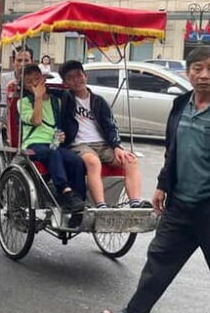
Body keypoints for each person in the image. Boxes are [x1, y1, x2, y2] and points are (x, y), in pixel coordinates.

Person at [101, 46, 210, 313]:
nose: (203, 75)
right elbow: (173, 151)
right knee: (159, 260)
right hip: (180, 204)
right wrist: (163, 185)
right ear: (187, 72)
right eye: (197, 69)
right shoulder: (180, 104)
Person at [58, 60, 147, 209]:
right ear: (65, 82)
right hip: (79, 145)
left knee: (130, 160)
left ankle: (135, 202)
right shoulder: (64, 98)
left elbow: (110, 126)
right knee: (93, 162)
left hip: (103, 144)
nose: (76, 80)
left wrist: (117, 147)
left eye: (79, 75)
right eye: (71, 77)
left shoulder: (99, 101)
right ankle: (100, 205)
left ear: (85, 76)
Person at [18, 64, 86, 213]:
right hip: (33, 144)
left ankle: (78, 200)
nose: (35, 83)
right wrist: (37, 97)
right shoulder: (23, 102)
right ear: (24, 85)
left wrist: (62, 136)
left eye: (37, 79)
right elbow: (36, 121)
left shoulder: (57, 101)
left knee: (76, 161)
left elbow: (61, 125)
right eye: (29, 82)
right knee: (52, 153)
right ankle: (65, 191)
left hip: (54, 143)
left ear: (43, 78)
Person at [0, 46, 34, 133]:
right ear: (13, 62)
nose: (22, 64)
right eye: (19, 60)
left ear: (31, 61)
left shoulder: (37, 81)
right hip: (6, 127)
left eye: (26, 60)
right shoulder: (2, 78)